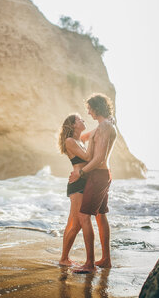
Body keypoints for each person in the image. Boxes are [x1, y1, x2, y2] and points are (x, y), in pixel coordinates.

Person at [69, 93, 117, 273]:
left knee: (84, 216)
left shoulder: (105, 126)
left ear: (97, 108)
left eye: (89, 109)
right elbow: (84, 139)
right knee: (100, 215)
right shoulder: (104, 126)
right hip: (103, 174)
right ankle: (105, 259)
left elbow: (99, 158)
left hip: (98, 175)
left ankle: (89, 264)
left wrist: (80, 173)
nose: (88, 112)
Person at [58, 113, 94, 266]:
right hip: (77, 184)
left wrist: (109, 121)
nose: (83, 120)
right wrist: (92, 141)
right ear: (73, 125)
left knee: (72, 222)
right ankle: (64, 258)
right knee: (77, 223)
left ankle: (64, 258)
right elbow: (87, 157)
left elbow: (94, 133)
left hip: (83, 182)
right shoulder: (70, 141)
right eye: (80, 119)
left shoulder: (79, 140)